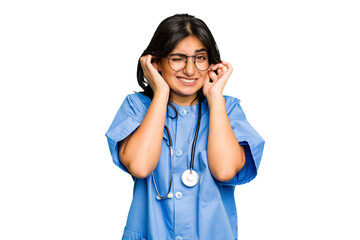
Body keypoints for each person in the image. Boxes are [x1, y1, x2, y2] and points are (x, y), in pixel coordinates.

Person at [106, 13, 265, 240]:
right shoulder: (136, 107)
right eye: (178, 58)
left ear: (211, 63)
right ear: (156, 63)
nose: (190, 70)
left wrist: (215, 98)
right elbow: (140, 166)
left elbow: (224, 170)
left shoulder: (228, 110)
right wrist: (161, 93)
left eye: (200, 58)